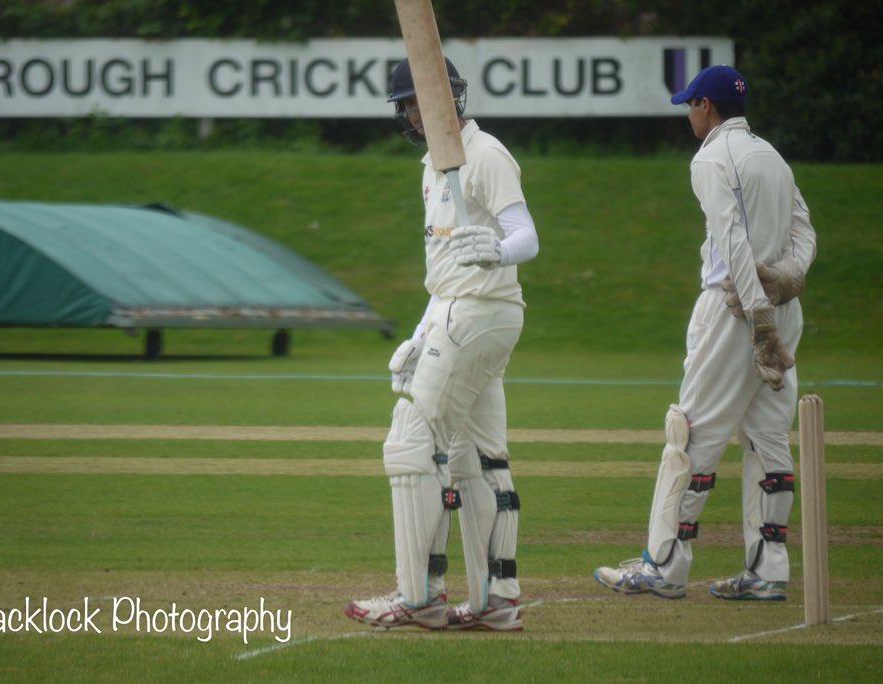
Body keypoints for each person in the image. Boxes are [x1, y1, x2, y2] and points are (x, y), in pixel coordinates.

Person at [594, 65, 816, 601]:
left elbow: (733, 239)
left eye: (690, 106)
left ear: (706, 108)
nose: (689, 115)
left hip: (735, 311)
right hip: (782, 307)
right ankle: (768, 570)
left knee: (689, 435)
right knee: (767, 437)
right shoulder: (772, 156)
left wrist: (758, 314)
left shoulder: (711, 158)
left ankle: (664, 564)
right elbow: (804, 231)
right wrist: (787, 279)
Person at [344, 57, 539, 631]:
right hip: (462, 312)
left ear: (452, 95)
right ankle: (495, 601)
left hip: (482, 309)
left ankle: (418, 596)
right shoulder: (433, 166)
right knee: (476, 456)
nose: (412, 111)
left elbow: (526, 234)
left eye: (418, 100)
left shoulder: (485, 154)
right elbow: (446, 270)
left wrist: (497, 250)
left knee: (410, 440)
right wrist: (420, 332)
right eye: (406, 104)